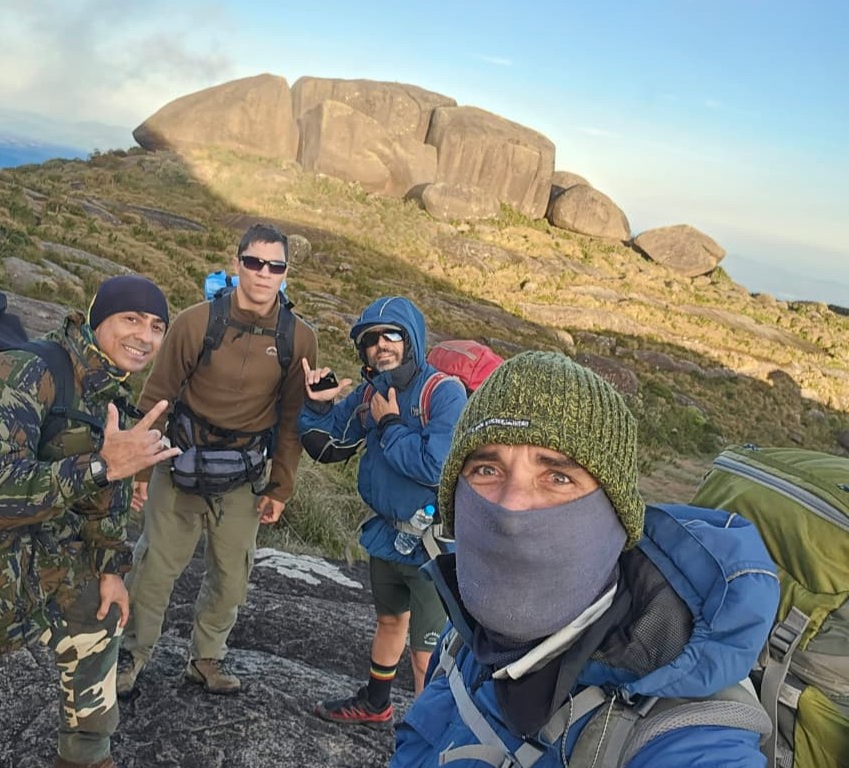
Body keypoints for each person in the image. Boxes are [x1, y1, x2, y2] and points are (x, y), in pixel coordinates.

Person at [390, 351, 782, 767]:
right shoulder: (464, 638)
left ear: (615, 515)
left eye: (558, 477)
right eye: (487, 469)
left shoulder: (686, 735)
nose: (513, 506)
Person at [0, 274, 178, 768]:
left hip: (26, 556)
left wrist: (111, 566)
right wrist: (102, 465)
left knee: (98, 613)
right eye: (130, 319)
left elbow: (107, 488)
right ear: (96, 319)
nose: (145, 336)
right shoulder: (22, 372)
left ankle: (86, 756)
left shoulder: (104, 386)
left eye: (156, 326)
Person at [117, 223, 317, 696]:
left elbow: (292, 419)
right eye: (254, 262)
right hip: (181, 461)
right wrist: (142, 470)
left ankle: (206, 659)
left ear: (286, 273)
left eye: (275, 266)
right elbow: (158, 397)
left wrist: (281, 486)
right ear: (237, 264)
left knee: (232, 574)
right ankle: (131, 655)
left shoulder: (298, 338)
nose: (264, 273)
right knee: (154, 567)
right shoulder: (196, 322)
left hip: (244, 474)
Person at [298, 296, 467, 726]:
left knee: (426, 649)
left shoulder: (444, 392)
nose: (381, 346)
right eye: (371, 340)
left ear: (411, 339)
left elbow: (438, 465)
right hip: (388, 538)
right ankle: (376, 703)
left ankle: (429, 734)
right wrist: (317, 406)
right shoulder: (369, 393)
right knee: (390, 622)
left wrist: (390, 426)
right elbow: (328, 446)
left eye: (392, 335)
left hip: (433, 546)